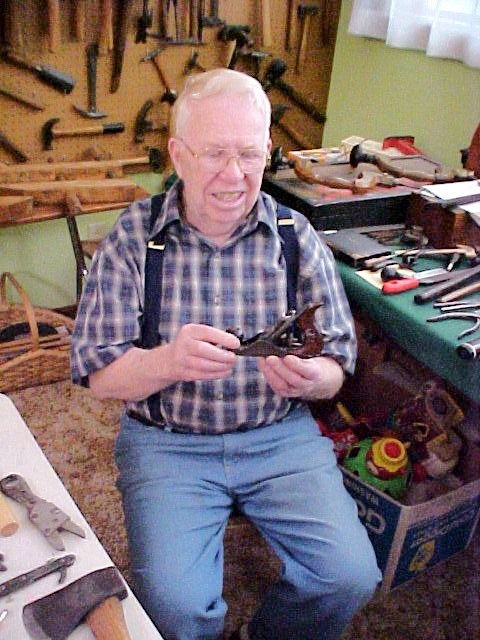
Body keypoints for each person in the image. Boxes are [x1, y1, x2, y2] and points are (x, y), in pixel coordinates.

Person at [71, 68, 381, 640]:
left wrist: (310, 377)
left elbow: (338, 368)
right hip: (167, 441)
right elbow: (98, 376)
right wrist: (167, 361)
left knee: (350, 576)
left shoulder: (296, 236)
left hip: (277, 435)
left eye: (249, 154)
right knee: (175, 607)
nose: (234, 175)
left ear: (267, 151)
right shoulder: (133, 238)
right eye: (214, 153)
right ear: (178, 155)